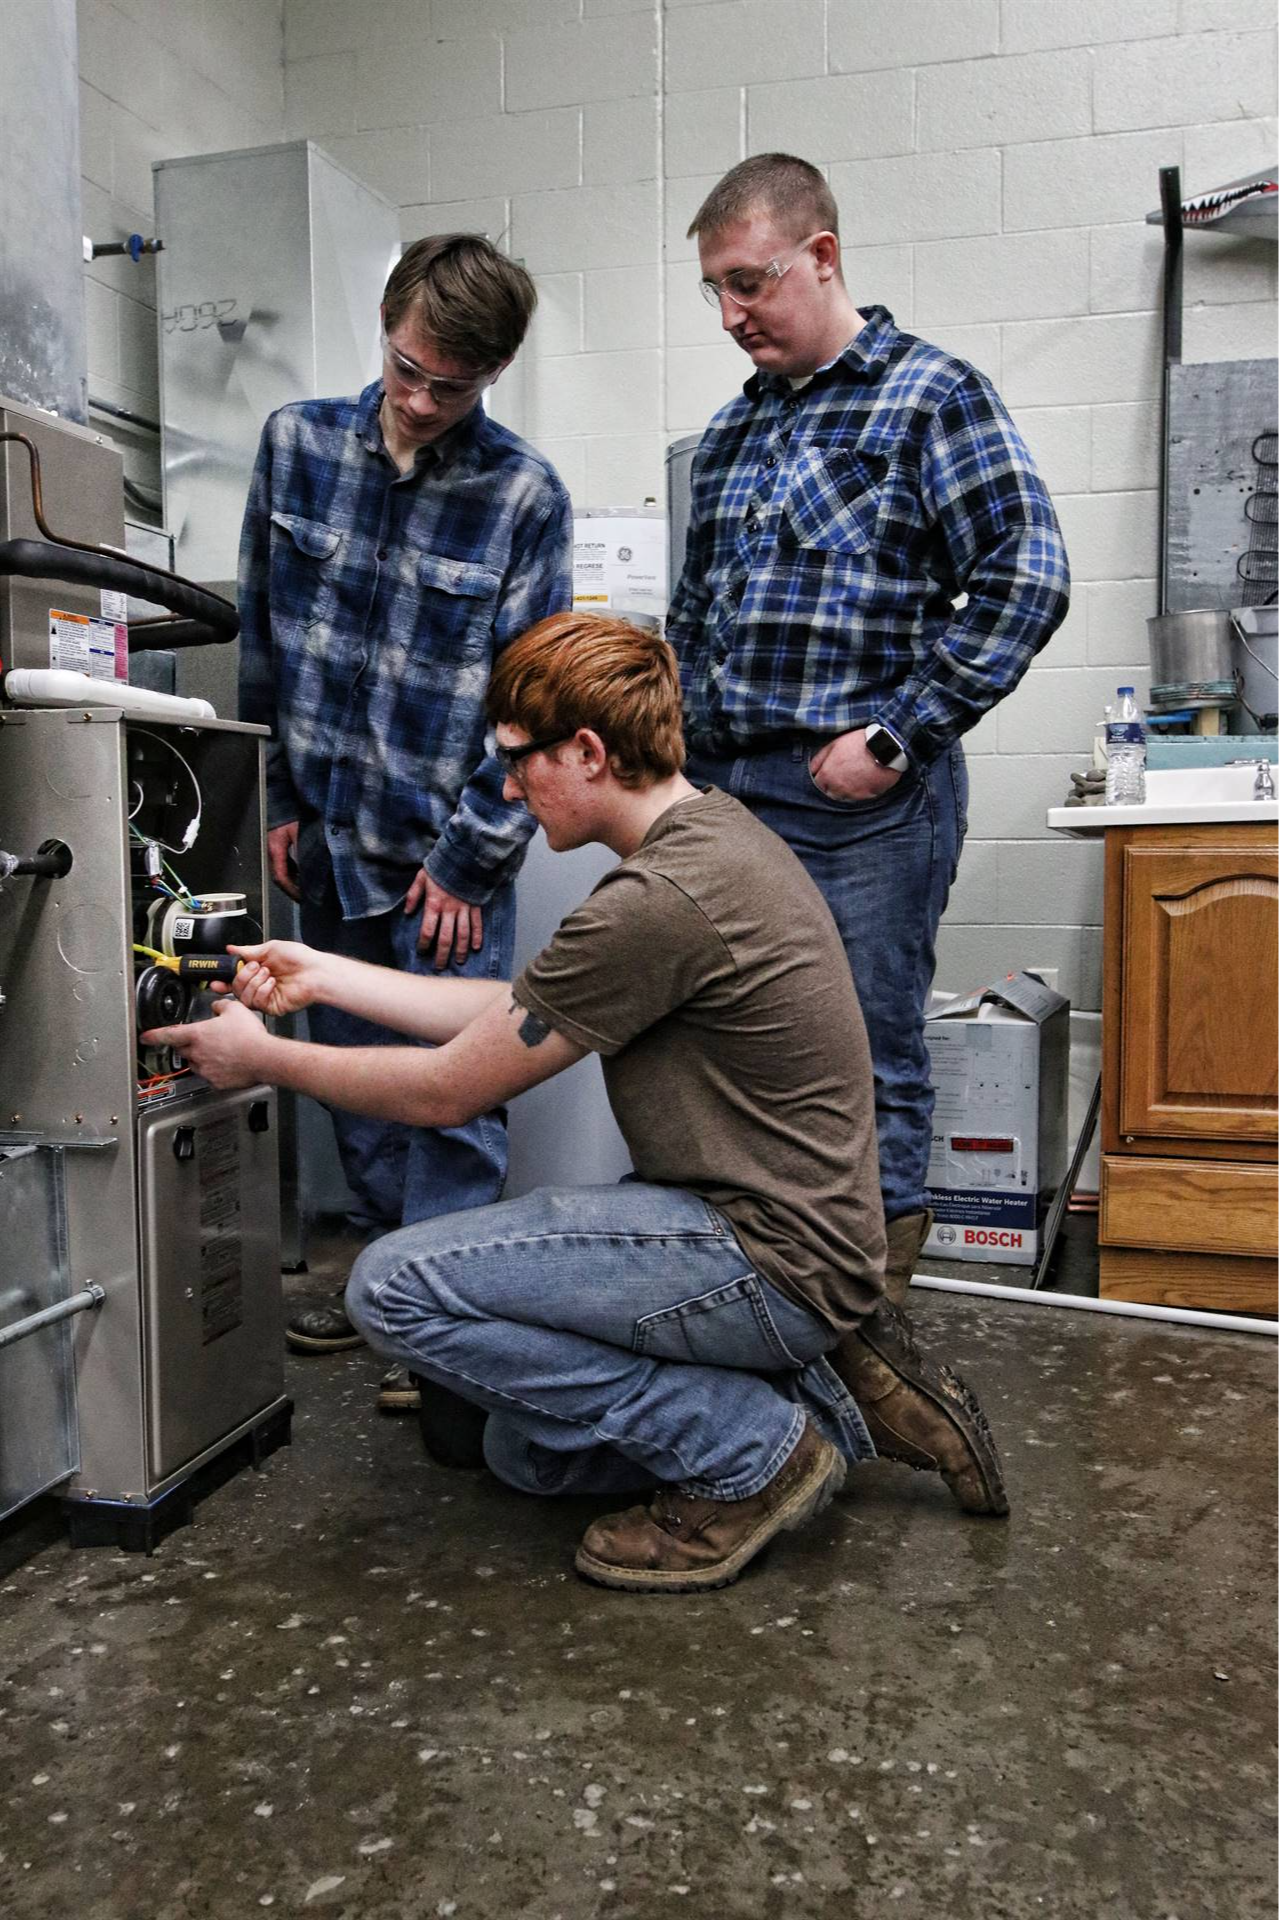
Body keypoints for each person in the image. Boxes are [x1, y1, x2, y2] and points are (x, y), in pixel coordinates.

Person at [147, 613, 1008, 1596]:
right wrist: (322, 979)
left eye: (518, 760)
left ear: (589, 751)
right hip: (778, 1238)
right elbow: (518, 1016)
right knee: (526, 1453)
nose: (508, 787)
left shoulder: (662, 898)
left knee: (391, 1287)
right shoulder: (711, 838)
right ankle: (824, 1402)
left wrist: (260, 1060)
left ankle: (753, 1449)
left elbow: (444, 1090)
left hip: (763, 1255)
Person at [667, 154, 1071, 1305]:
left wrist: (896, 738)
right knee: (738, 1052)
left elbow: (1027, 576)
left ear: (823, 256)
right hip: (727, 799)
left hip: (859, 805)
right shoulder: (735, 432)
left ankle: (864, 1325)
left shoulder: (929, 395)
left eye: (750, 281)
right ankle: (757, 1301)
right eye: (717, 290)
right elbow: (696, 620)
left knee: (864, 1058)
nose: (733, 313)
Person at [238, 233, 573, 1367]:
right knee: (352, 1079)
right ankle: (389, 1286)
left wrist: (474, 859)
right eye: (407, 368)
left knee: (457, 1103)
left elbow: (529, 703)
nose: (425, 400)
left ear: (493, 375)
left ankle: (441, 1328)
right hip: (326, 840)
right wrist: (276, 799)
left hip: (446, 861)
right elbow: (263, 646)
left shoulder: (524, 493)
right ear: (384, 323)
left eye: (455, 384)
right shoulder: (295, 447)